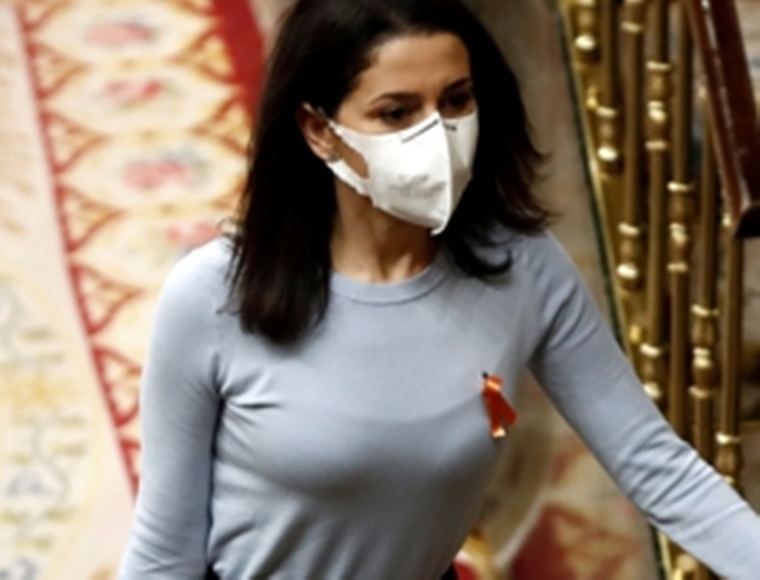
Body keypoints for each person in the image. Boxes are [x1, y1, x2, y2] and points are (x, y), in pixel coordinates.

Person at [117, 0, 760, 578]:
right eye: (396, 112)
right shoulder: (211, 297)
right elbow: (164, 554)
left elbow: (658, 467)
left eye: (455, 101)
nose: (436, 133)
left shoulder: (521, 268)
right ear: (319, 131)